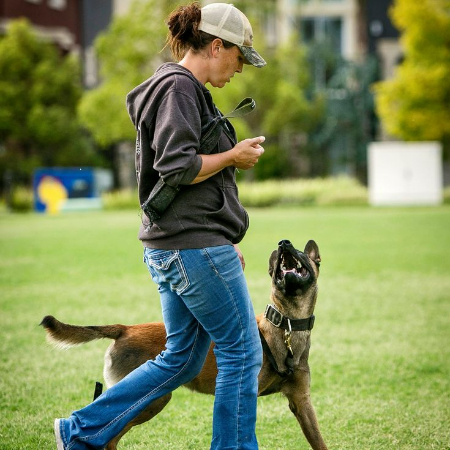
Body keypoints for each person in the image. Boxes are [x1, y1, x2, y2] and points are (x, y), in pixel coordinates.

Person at [54, 2, 266, 449]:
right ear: (215, 45)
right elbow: (178, 165)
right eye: (239, 56)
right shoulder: (178, 89)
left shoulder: (176, 88)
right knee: (243, 353)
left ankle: (79, 431)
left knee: (184, 359)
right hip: (193, 248)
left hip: (182, 245)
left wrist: (223, 234)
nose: (241, 68)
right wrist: (234, 155)